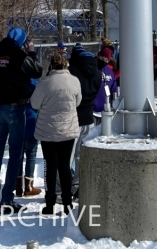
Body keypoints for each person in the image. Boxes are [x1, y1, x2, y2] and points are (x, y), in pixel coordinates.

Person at [0, 27, 43, 212]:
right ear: (21, 40)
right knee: (16, 153)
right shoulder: (18, 55)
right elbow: (37, 71)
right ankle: (8, 199)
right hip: (15, 107)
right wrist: (31, 53)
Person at [30, 51, 82, 215]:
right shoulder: (74, 81)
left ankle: (50, 203)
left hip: (48, 131)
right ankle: (67, 203)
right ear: (65, 64)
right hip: (68, 130)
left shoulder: (45, 83)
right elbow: (78, 102)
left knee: (51, 166)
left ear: (51, 65)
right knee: (65, 166)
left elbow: (34, 103)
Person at [68, 42, 102, 188]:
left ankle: (65, 183)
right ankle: (78, 184)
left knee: (68, 155)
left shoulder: (72, 72)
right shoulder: (98, 72)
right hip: (89, 116)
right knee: (81, 154)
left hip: (73, 117)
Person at [17, 40, 43, 197]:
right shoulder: (35, 83)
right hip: (32, 122)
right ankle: (28, 186)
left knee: (18, 155)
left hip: (19, 120)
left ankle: (17, 186)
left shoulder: (17, 81)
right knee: (31, 155)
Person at [93, 48, 118, 114]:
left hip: (106, 110)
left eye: (106, 59)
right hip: (93, 109)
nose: (104, 60)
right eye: (102, 58)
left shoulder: (110, 72)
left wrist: (114, 103)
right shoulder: (92, 69)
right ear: (99, 56)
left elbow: (114, 89)